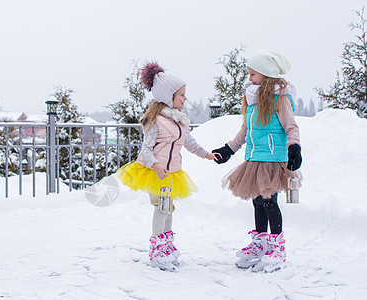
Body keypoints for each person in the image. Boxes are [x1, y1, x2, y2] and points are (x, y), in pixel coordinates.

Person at [117, 62, 216, 271]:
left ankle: (167, 245)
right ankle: (156, 247)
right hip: (155, 172)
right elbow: (146, 149)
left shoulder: (180, 120)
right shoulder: (156, 121)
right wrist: (155, 166)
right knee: (162, 209)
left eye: (184, 94)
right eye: (181, 95)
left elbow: (189, 142)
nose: (185, 99)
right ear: (167, 97)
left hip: (172, 172)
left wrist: (206, 154)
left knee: (169, 209)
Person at [212, 51, 302, 272]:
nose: (250, 78)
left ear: (267, 74)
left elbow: (291, 127)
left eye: (253, 74)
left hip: (272, 160)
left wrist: (294, 148)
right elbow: (245, 130)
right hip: (254, 158)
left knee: (270, 201)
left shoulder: (280, 99)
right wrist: (229, 149)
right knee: (258, 202)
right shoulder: (253, 100)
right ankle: (261, 241)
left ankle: (277, 245)